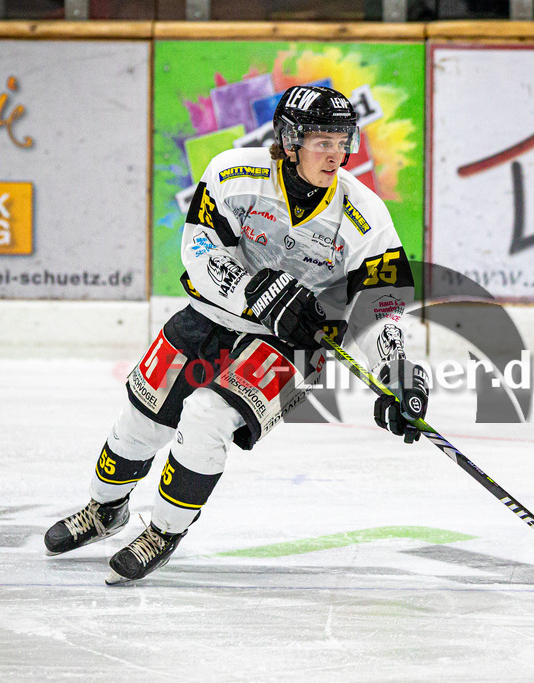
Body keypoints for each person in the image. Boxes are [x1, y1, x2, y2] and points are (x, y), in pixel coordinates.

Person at [43, 85, 428, 583]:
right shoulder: (233, 173)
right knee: (142, 419)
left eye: (342, 142)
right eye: (322, 142)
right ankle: (105, 509)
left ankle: (163, 531)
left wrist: (397, 371)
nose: (336, 155)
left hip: (293, 345)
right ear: (289, 141)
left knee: (207, 417)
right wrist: (253, 291)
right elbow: (198, 250)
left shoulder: (365, 214)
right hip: (214, 314)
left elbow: (383, 305)